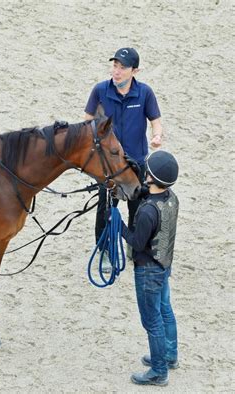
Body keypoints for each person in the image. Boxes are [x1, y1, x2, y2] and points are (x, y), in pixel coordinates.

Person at [83, 47, 164, 267]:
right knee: (105, 208)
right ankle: (104, 250)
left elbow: (155, 120)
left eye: (122, 67)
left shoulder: (145, 93)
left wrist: (157, 136)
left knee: (137, 209)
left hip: (136, 163)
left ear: (134, 71)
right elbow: (87, 121)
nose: (116, 71)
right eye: (115, 66)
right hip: (108, 165)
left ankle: (134, 249)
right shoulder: (100, 90)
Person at [120, 150, 179, 386]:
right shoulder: (171, 197)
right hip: (164, 264)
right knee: (166, 310)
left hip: (147, 271)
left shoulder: (146, 212)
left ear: (151, 177)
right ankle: (169, 355)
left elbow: (136, 242)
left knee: (151, 321)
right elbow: (148, 194)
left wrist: (119, 226)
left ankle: (158, 371)